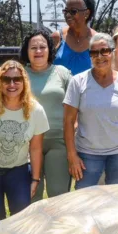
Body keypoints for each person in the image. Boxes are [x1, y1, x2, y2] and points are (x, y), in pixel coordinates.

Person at [0, 61, 48, 224]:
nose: (12, 84)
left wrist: (35, 179)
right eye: (6, 79)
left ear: (24, 82)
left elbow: (36, 148)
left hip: (18, 171)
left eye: (17, 79)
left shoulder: (36, 110)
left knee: (20, 220)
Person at [63, 33, 118, 188]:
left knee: (116, 200)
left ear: (112, 52)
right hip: (88, 153)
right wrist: (72, 155)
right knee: (85, 199)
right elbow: (68, 121)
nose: (99, 57)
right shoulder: (77, 82)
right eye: (94, 53)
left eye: (104, 51)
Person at [20, 30, 73, 199]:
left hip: (58, 141)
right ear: (26, 51)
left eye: (42, 47)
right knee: (31, 196)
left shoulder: (62, 73)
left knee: (58, 195)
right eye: (33, 47)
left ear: (50, 50)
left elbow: (76, 103)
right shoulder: (19, 75)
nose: (38, 51)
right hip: (26, 143)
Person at [52, 0, 98, 76]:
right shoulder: (57, 38)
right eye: (66, 11)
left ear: (87, 13)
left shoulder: (98, 40)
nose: (68, 15)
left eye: (73, 11)